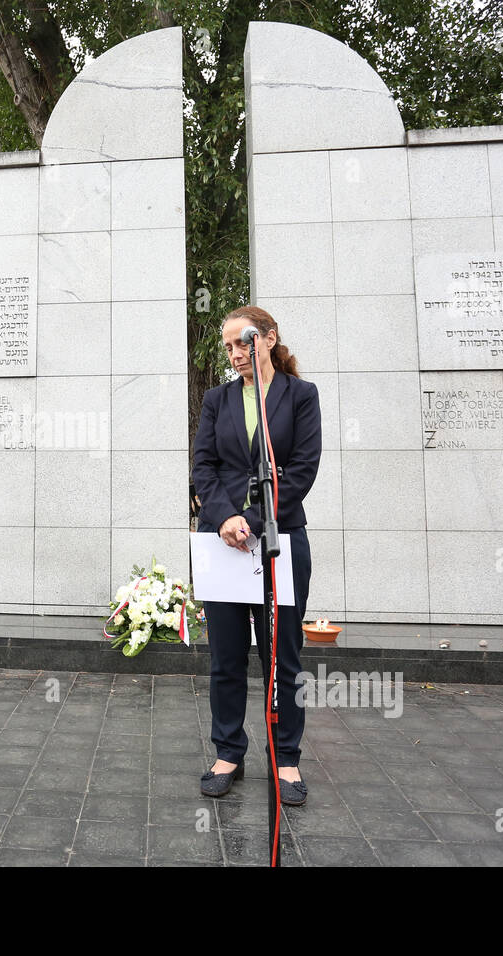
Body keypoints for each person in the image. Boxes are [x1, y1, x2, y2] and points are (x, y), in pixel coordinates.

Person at [191, 306, 320, 805]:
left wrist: (259, 519)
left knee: (281, 656)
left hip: (280, 539)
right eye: (226, 347)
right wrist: (225, 516)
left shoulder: (300, 396)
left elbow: (303, 469)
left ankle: (285, 758)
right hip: (222, 542)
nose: (233, 353)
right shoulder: (216, 400)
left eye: (241, 342)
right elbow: (204, 464)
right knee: (225, 656)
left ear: (267, 339)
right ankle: (228, 752)